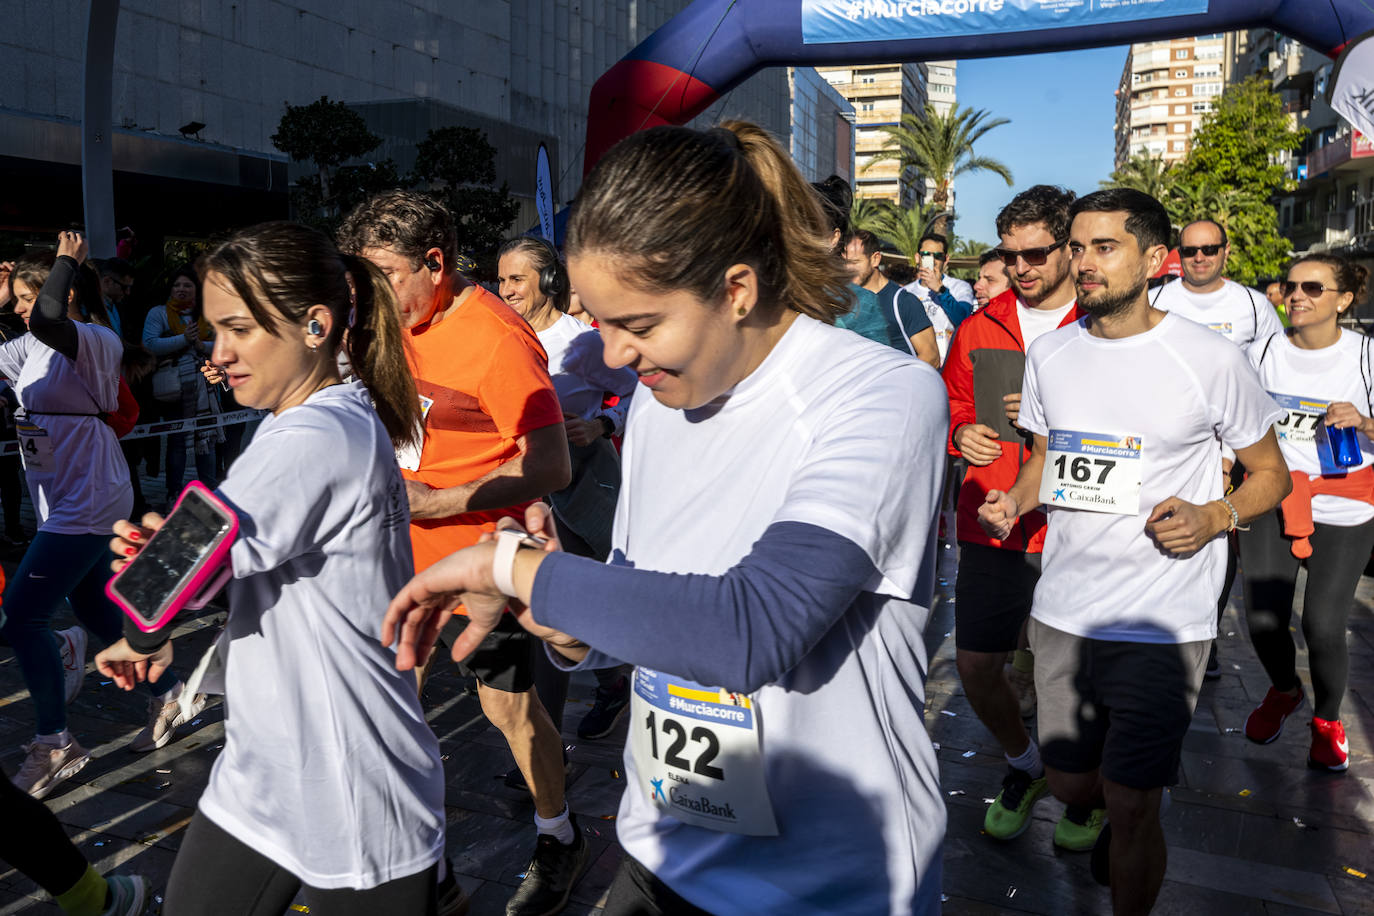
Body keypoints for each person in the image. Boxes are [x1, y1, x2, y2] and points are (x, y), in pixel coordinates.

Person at [382, 120, 948, 916]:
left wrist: (516, 570)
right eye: (600, 320)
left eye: (640, 325)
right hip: (662, 847)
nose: (613, 356)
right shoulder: (654, 405)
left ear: (737, 289)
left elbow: (750, 628)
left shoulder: (882, 394)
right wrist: (562, 624)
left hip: (823, 881)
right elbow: (639, 601)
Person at [95, 221, 448, 915]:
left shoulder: (316, 432)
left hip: (352, 783)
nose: (218, 353)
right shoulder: (315, 418)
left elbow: (182, 568)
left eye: (239, 330)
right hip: (264, 773)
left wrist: (142, 628)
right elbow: (228, 554)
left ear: (315, 324)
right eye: (212, 328)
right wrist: (166, 557)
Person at [978, 188, 1289, 915]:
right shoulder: (1050, 353)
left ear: (1154, 259)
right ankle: (1107, 812)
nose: (1084, 263)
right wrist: (1014, 501)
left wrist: (1217, 515)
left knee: (1130, 804)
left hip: (1162, 619)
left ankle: (1133, 847)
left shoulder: (1209, 360)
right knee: (1071, 785)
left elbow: (1272, 474)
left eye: (1104, 247)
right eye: (1078, 247)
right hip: (1062, 611)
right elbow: (1049, 457)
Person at [337, 191, 575, 916]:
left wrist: (437, 501)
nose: (370, 295)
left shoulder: (498, 339)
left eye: (383, 276)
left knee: (507, 709)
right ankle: (426, 866)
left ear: (434, 265)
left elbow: (553, 464)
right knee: (390, 706)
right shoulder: (383, 319)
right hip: (393, 554)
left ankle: (559, 834)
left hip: (480, 559)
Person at [0, 236, 199, 800]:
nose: (16, 308)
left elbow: (43, 317)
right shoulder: (31, 350)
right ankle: (174, 693)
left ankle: (55, 742)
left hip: (89, 498)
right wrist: (2, 295)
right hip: (59, 499)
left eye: (22, 296)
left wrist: (66, 261)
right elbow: (24, 329)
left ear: (54, 293)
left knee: (21, 618)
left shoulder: (94, 338)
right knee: (91, 606)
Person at [942, 185, 1084, 846]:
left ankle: (1085, 788)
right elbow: (950, 403)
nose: (1022, 267)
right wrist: (961, 430)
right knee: (974, 664)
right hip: (993, 520)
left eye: (1036, 254)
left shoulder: (1100, 322)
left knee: (1070, 677)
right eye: (1011, 254)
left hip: (1079, 525)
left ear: (1067, 247)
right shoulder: (979, 323)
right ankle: (1025, 764)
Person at [496, 235, 638, 742]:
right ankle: (548, 739)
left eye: (517, 279)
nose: (506, 289)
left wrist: (601, 424)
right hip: (519, 492)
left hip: (577, 492)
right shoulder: (498, 338)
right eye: (502, 279)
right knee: (545, 608)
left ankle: (611, 684)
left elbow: (637, 394)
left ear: (550, 282)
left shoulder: (583, 343)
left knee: (578, 602)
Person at [1240, 254, 1374, 772]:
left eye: (1314, 288)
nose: (1297, 295)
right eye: (1291, 286)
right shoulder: (1264, 349)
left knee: (1322, 624)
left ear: (1343, 299)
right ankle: (1283, 690)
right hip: (1272, 494)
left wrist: (1363, 421)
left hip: (1344, 502)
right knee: (1262, 620)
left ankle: (1328, 719)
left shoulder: (1364, 356)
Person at [1152, 220, 1287, 679]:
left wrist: (1231, 455)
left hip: (1236, 449)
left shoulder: (1253, 305)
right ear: (1178, 254)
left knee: (1219, 534)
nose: (1200, 257)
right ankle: (1165, 630)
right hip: (1170, 442)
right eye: (1190, 250)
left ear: (1226, 251)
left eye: (1210, 248)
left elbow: (1268, 380)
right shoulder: (1156, 298)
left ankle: (1202, 633)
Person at [142, 266, 220, 498]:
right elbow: (150, 344)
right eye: (177, 285)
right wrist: (183, 339)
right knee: (177, 440)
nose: (181, 289)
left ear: (197, 289)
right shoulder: (159, 313)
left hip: (207, 387)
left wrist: (202, 346)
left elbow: (225, 343)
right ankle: (174, 493)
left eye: (187, 285)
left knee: (207, 440)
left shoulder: (208, 314)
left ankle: (211, 492)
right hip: (176, 389)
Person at [842, 229, 939, 365]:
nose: (848, 269)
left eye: (855, 262)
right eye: (845, 263)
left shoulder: (903, 302)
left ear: (875, 259)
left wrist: (897, 383)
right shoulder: (846, 300)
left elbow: (932, 357)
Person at [902, 232, 977, 365]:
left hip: (951, 363)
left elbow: (963, 319)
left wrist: (941, 290)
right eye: (926, 255)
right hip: (917, 362)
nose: (932, 260)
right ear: (918, 257)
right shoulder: (905, 291)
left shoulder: (960, 287)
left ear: (946, 259)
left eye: (938, 256)